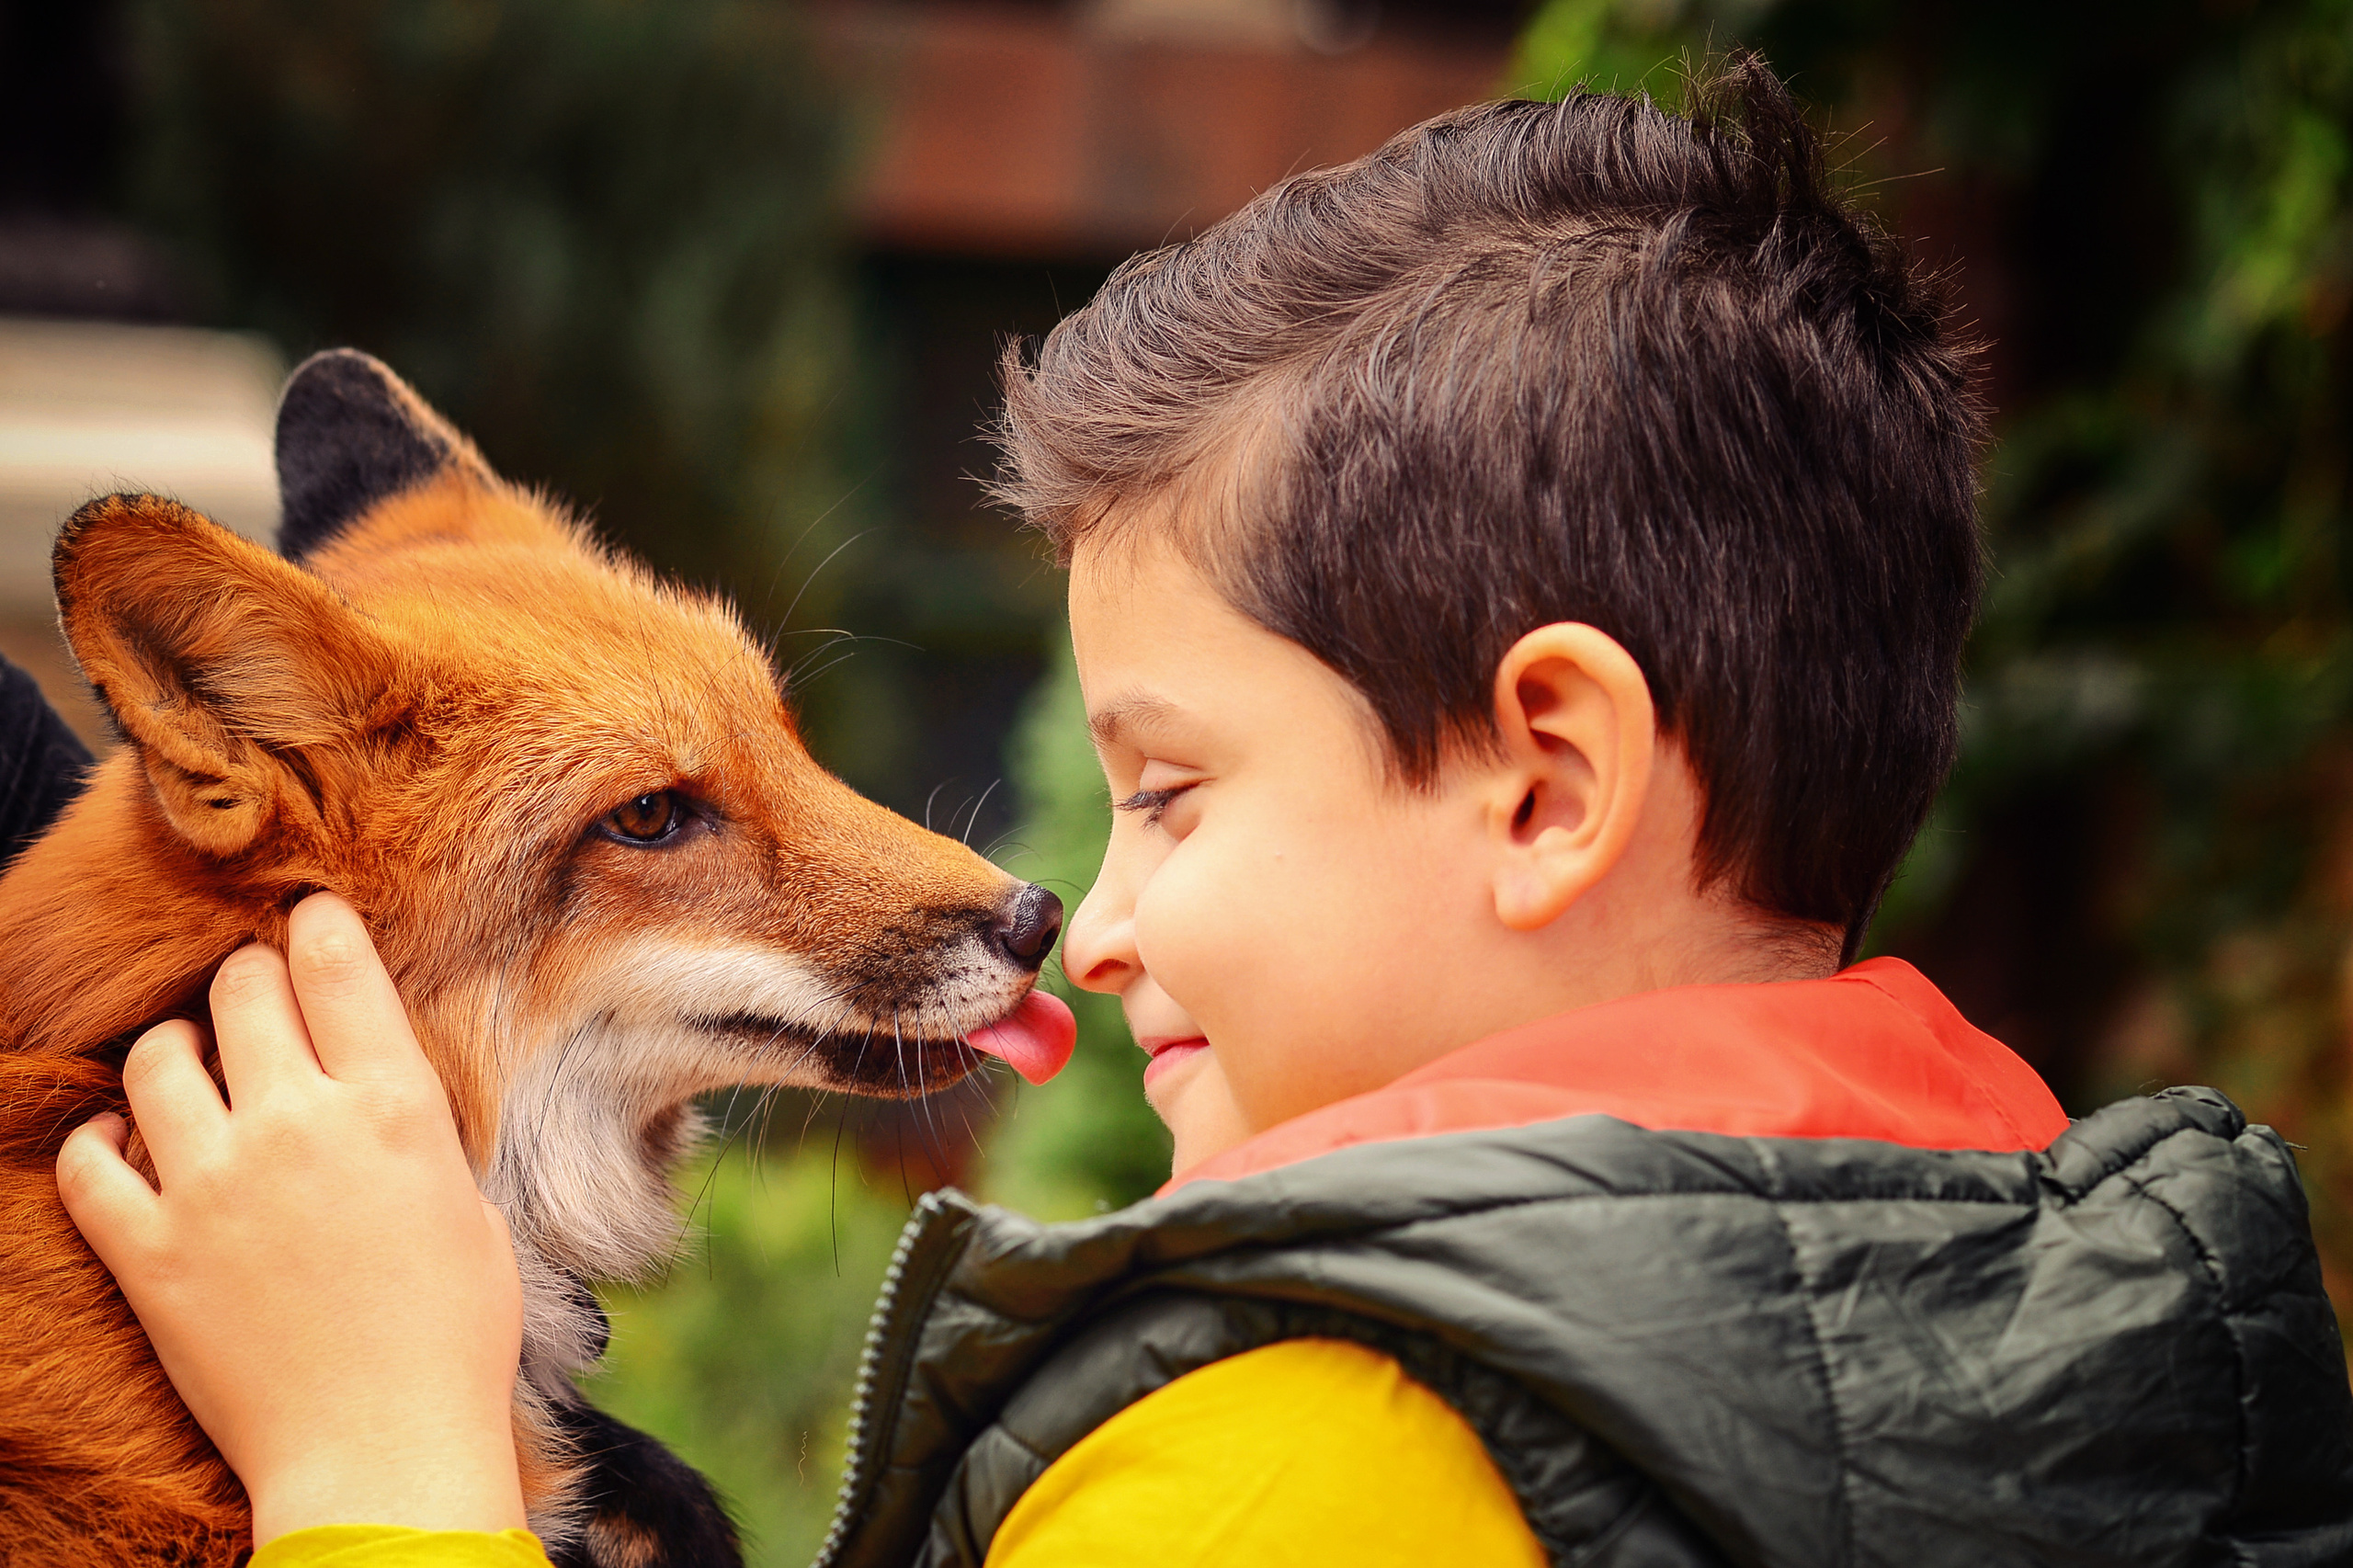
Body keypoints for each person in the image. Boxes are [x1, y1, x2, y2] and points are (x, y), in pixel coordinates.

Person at [51, 56, 2353, 1568]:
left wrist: (374, 1466)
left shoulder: (1297, 1471)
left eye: (1165, 792)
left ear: (1548, 783)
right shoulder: (2019, 1262)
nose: (1079, 909)